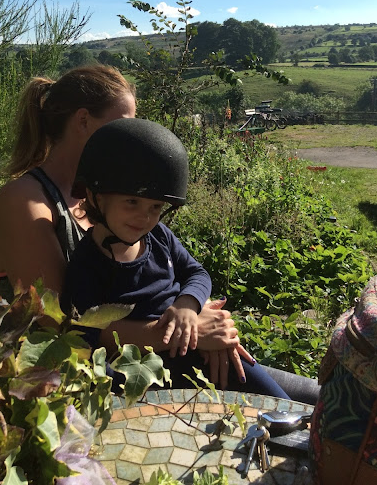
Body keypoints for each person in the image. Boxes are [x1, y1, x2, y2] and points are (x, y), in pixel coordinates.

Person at [61, 117, 290, 398]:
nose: (145, 216)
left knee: (279, 407)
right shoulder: (87, 264)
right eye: (131, 201)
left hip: (203, 356)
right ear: (95, 196)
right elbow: (86, 336)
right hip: (144, 376)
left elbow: (197, 273)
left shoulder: (159, 237)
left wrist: (188, 306)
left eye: (156, 206)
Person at [0, 65, 137, 296]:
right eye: (123, 127)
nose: (130, 142)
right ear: (83, 121)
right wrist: (174, 331)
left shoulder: (103, 193)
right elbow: (54, 316)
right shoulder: (23, 200)